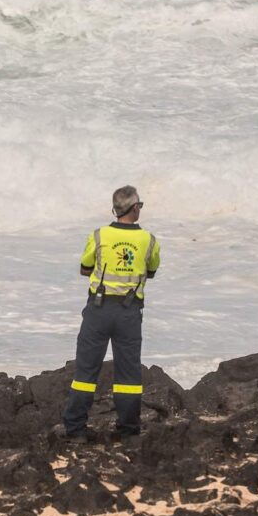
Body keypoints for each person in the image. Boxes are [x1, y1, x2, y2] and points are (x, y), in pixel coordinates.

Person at [62, 186, 161, 443]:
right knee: (128, 376)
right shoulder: (149, 240)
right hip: (129, 313)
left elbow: (85, 268)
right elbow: (150, 271)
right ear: (135, 208)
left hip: (98, 309)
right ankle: (128, 432)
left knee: (85, 373)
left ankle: (75, 431)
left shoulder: (98, 235)